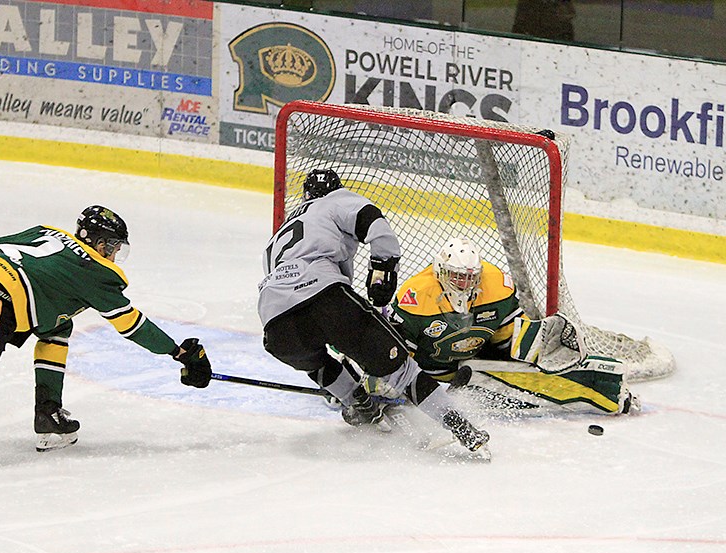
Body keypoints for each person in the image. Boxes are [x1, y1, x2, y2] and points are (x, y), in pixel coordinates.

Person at [0, 206, 213, 451]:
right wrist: (178, 352)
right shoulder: (95, 271)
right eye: (113, 247)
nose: (113, 255)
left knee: (59, 326)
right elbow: (132, 325)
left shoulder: (48, 231)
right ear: (101, 244)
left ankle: (48, 413)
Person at [258, 169, 489, 452]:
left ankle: (360, 406)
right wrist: (383, 270)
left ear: (305, 195)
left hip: (273, 322)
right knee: (400, 369)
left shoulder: (279, 233)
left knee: (317, 362)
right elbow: (374, 222)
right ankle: (460, 426)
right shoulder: (333, 200)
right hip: (324, 296)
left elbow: (287, 291)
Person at [390, 237, 635, 415]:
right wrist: (408, 391)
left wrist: (537, 347)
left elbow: (509, 339)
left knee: (532, 386)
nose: (464, 283)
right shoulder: (416, 298)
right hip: (431, 377)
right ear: (441, 272)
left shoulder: (496, 285)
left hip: (474, 368)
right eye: (457, 276)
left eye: (469, 277)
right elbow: (397, 358)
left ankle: (605, 387)